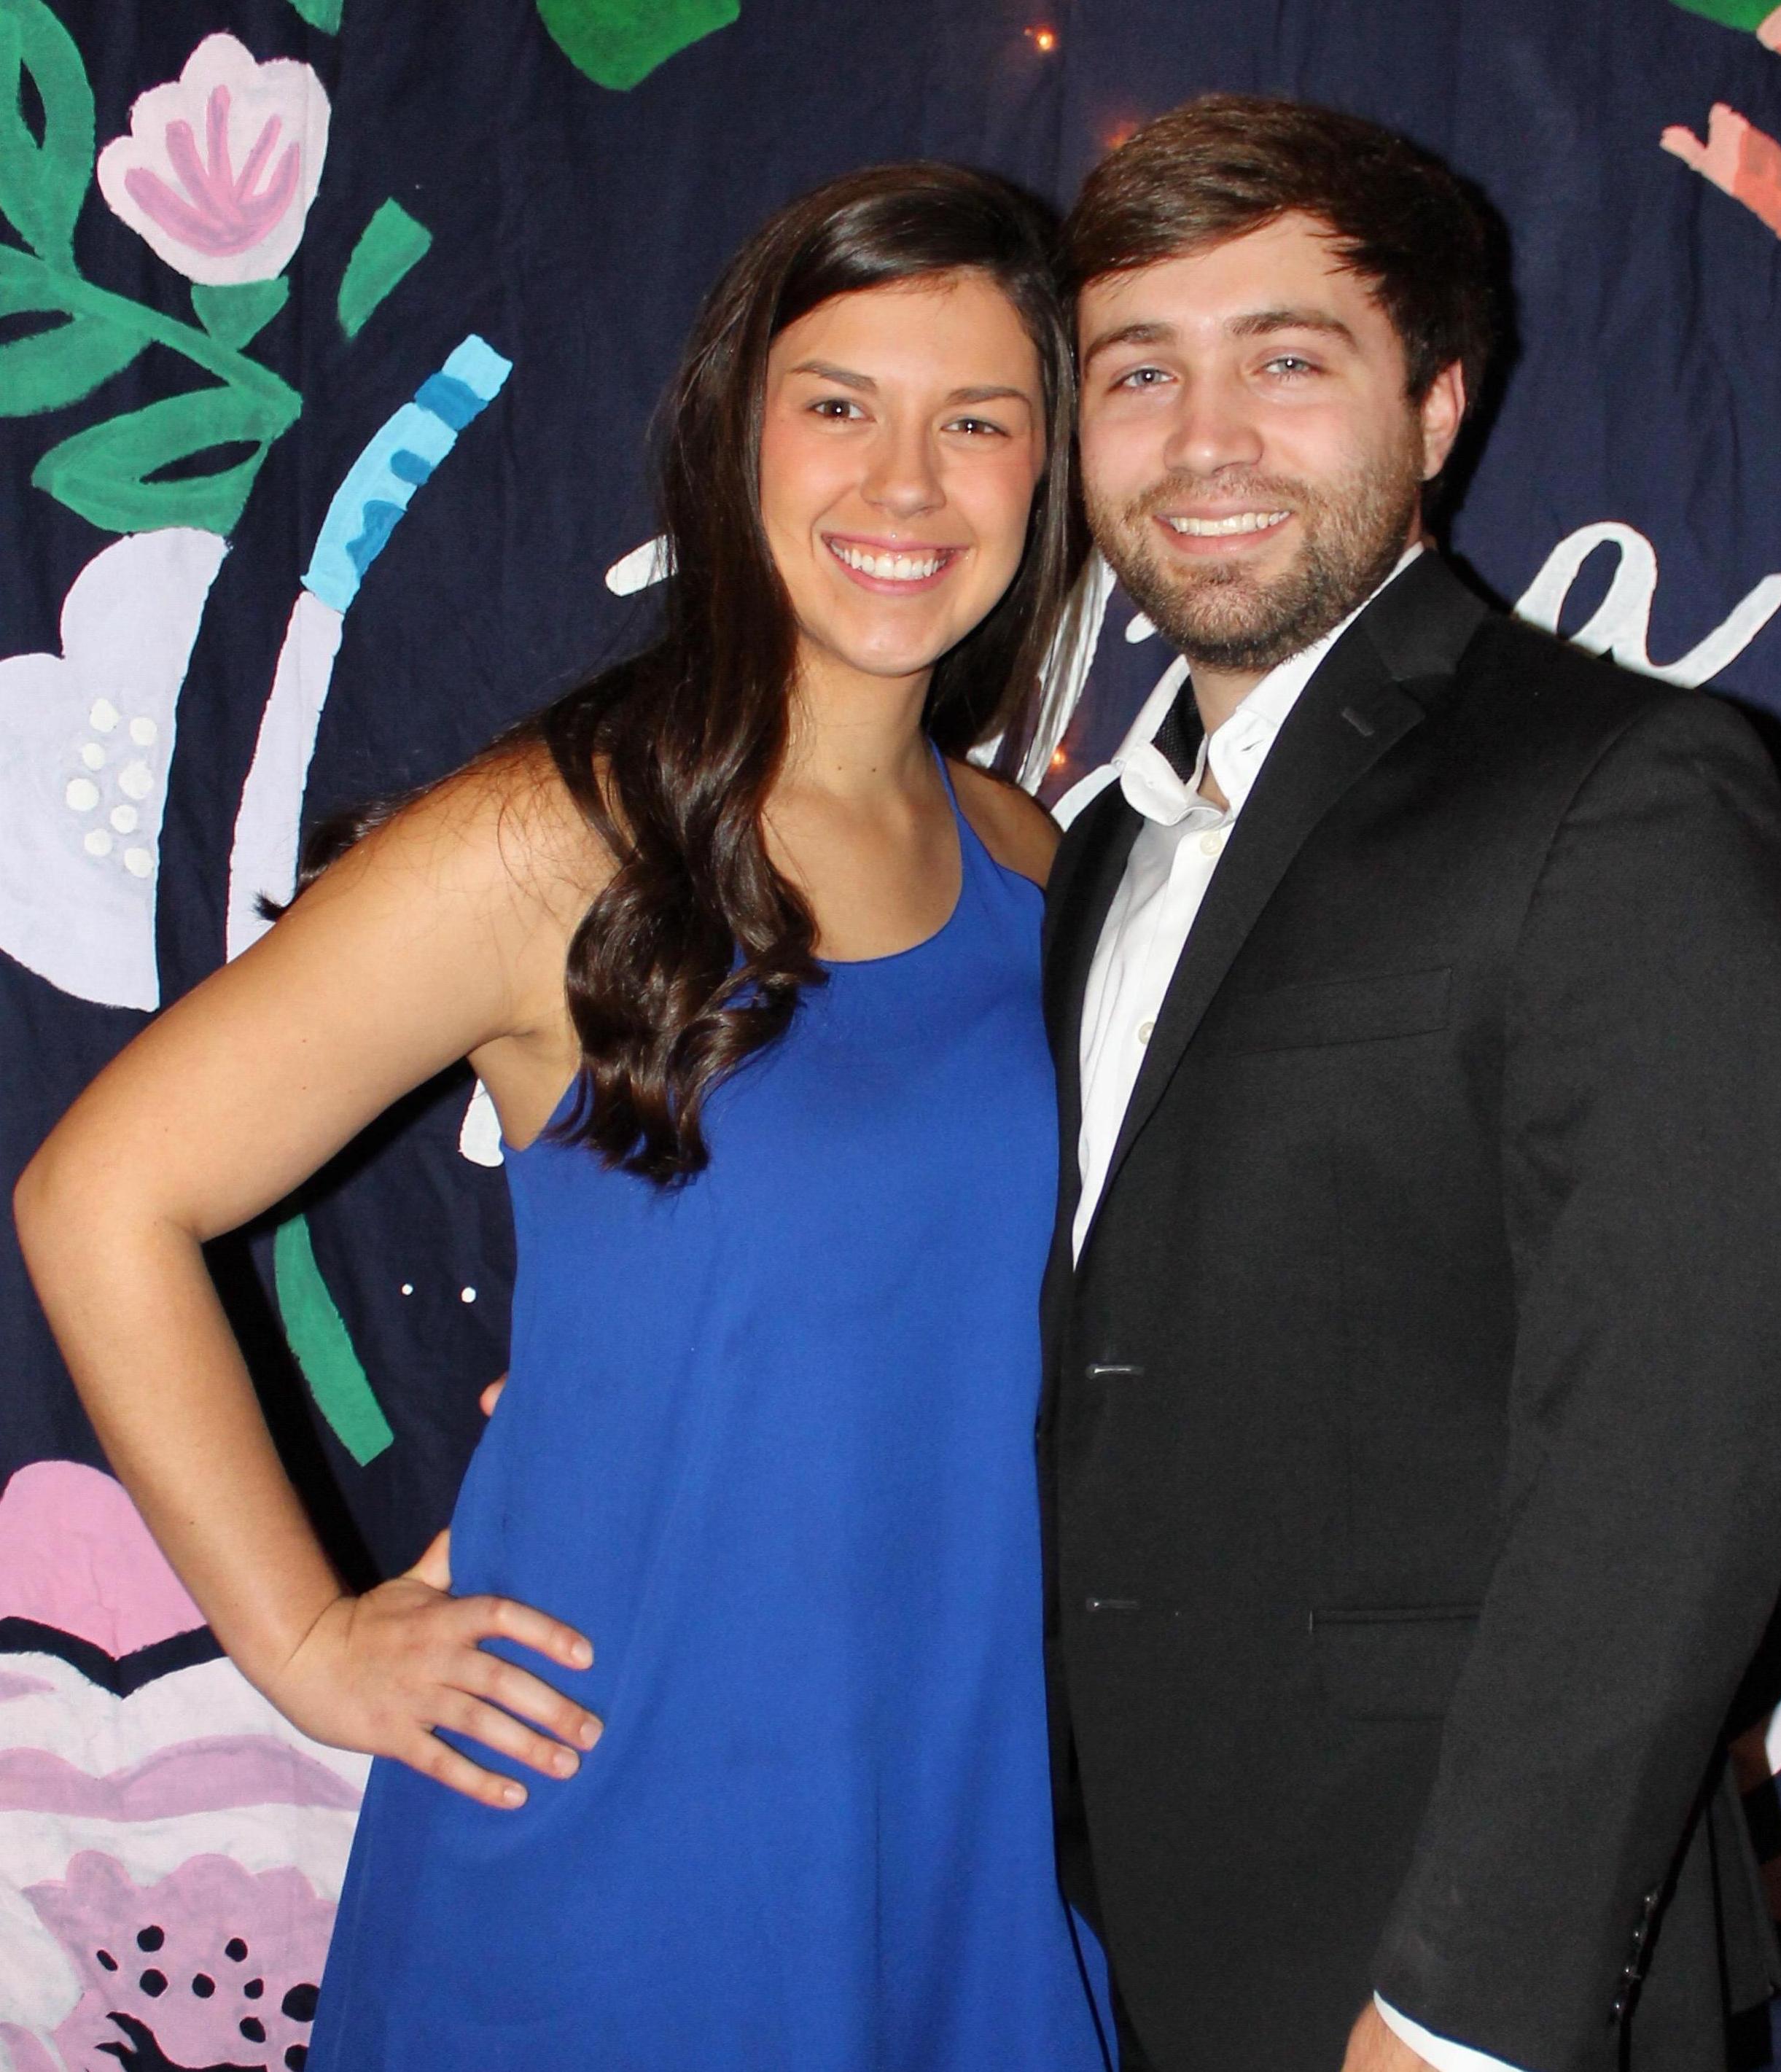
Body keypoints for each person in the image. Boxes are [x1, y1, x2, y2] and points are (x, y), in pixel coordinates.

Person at [15, 163, 1108, 2072]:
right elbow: (100, 1194)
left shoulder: (1026, 854)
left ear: (1047, 472)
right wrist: (304, 1641)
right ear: (737, 435)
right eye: (839, 403)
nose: (904, 482)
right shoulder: (552, 840)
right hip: (629, 1811)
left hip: (963, 1807)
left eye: (977, 421)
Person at [1038, 96, 1781, 2072]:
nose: (1203, 439)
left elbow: (1674, 1444)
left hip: (1443, 1951)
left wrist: (1465, 2007)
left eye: (1286, 361)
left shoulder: (1617, 788)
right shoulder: (1095, 851)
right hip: (1109, 1916)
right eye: (1138, 371)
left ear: (1435, 408)